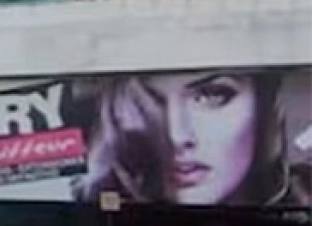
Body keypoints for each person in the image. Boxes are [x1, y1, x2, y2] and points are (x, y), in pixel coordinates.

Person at [71, 70, 312, 207]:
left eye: (211, 96)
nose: (177, 136)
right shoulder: (96, 212)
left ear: (265, 105)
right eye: (148, 102)